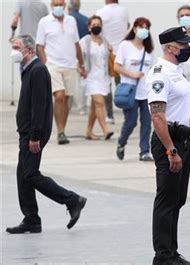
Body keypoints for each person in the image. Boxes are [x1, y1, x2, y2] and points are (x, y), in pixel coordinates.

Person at [6, 35, 87, 234]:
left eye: (16, 47)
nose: (13, 51)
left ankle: (72, 199)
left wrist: (35, 136)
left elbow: (40, 105)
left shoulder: (38, 70)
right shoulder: (27, 69)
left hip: (34, 133)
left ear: (29, 50)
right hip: (27, 131)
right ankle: (31, 218)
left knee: (31, 174)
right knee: (22, 174)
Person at [146, 26, 190, 265]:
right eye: (183, 45)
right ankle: (163, 255)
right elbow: (157, 116)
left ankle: (171, 251)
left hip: (183, 139)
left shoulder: (177, 71)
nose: (187, 49)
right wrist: (171, 149)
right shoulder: (160, 73)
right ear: (169, 47)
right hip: (169, 141)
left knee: (178, 199)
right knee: (167, 199)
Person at [36, 0, 87, 145]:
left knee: (67, 99)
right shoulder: (44, 22)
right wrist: (45, 63)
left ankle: (62, 129)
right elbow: (40, 45)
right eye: (56, 4)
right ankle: (60, 131)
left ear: (65, 6)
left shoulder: (71, 20)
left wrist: (81, 64)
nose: (58, 7)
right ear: (52, 6)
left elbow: (76, 43)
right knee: (59, 96)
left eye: (61, 4)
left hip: (70, 65)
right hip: (53, 65)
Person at [114, 17, 154, 162]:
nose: (143, 30)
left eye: (146, 27)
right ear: (135, 28)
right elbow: (116, 66)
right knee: (131, 122)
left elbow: (151, 70)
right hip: (130, 91)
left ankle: (144, 151)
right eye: (140, 26)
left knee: (147, 122)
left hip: (146, 92)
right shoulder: (125, 45)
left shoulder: (148, 50)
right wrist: (132, 74)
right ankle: (121, 142)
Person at [79, 15, 114, 140]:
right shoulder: (85, 41)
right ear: (89, 27)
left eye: (98, 24)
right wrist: (80, 68)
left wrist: (111, 52)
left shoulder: (105, 41)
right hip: (90, 77)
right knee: (99, 103)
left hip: (103, 77)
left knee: (95, 106)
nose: (96, 27)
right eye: (93, 25)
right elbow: (77, 56)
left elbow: (108, 58)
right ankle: (105, 131)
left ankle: (88, 131)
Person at [96, 0, 130, 124]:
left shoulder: (100, 12)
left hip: (107, 51)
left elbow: (99, 32)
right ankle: (127, 113)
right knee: (122, 83)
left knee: (107, 84)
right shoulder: (124, 11)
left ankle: (109, 115)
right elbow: (127, 27)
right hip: (122, 51)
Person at [68, 0, 89, 115]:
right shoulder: (85, 20)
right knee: (82, 81)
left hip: (69, 52)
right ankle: (82, 107)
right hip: (82, 52)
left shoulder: (67, 20)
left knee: (69, 80)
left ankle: (69, 105)